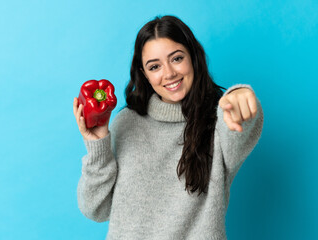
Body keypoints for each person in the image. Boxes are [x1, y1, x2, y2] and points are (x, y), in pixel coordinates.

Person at [73, 15, 263, 240]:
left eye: (176, 58)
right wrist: (99, 145)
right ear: (144, 74)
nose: (169, 73)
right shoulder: (127, 122)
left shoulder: (218, 121)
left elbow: (240, 121)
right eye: (154, 66)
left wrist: (239, 95)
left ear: (193, 56)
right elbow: (96, 209)